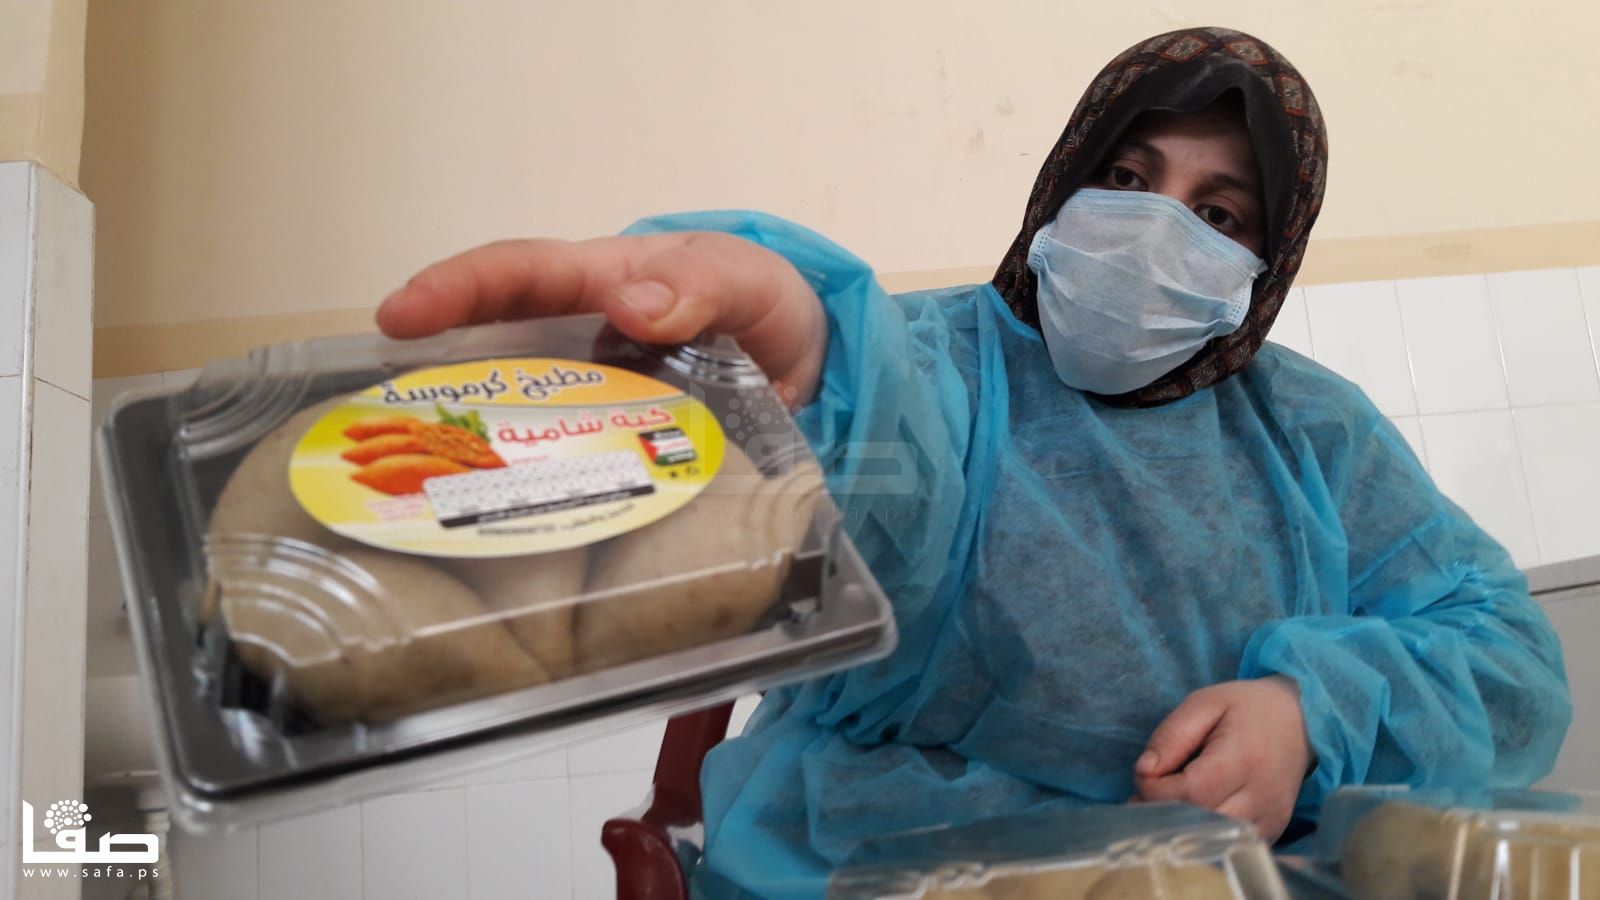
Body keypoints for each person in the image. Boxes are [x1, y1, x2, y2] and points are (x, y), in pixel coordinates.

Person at [375, 27, 1571, 900]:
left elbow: (1505, 655)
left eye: (1219, 216)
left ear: (1266, 269)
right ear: (1060, 186)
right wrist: (811, 375)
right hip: (879, 873)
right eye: (1125, 179)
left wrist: (1312, 709)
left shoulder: (1308, 428)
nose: (1153, 231)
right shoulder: (932, 365)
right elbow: (880, 504)